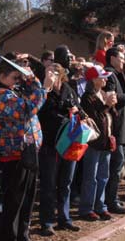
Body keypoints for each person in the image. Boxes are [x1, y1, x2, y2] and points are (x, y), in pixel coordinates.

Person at [0, 57, 55, 241]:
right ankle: (10, 236)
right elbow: (28, 109)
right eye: (15, 77)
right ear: (2, 76)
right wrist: (45, 88)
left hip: (28, 151)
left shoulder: (13, 91)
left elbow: (32, 99)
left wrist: (32, 78)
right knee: (14, 201)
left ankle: (23, 235)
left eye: (19, 77)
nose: (18, 81)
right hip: (14, 154)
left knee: (27, 199)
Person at [37, 63, 82, 236]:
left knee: (66, 183)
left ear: (62, 75)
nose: (51, 75)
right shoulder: (43, 91)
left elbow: (79, 110)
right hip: (50, 144)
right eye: (48, 72)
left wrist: (77, 111)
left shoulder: (68, 89)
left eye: (55, 72)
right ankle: (46, 222)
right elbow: (41, 111)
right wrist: (45, 88)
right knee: (48, 184)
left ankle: (64, 218)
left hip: (69, 142)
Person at [78, 65, 116, 221]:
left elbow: (111, 116)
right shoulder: (87, 97)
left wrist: (111, 105)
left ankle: (101, 206)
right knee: (90, 177)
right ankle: (87, 208)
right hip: (94, 143)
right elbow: (95, 119)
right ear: (94, 79)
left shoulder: (103, 93)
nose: (105, 79)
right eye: (103, 77)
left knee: (103, 176)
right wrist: (107, 105)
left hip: (105, 141)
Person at [103, 48, 125, 214]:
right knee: (115, 166)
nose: (123, 61)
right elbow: (110, 96)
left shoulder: (118, 74)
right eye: (121, 57)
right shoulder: (109, 74)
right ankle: (111, 201)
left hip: (120, 127)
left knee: (117, 165)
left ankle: (110, 199)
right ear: (113, 58)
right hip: (114, 128)